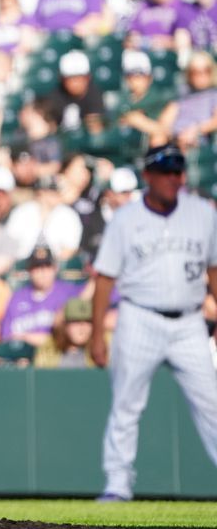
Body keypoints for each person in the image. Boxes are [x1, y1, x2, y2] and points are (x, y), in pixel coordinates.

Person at [90, 143, 217, 502]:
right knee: (126, 404)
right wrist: (97, 334)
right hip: (139, 316)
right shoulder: (127, 218)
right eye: (166, 171)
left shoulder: (203, 214)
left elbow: (214, 269)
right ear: (148, 175)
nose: (174, 177)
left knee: (212, 403)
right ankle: (117, 485)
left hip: (190, 321)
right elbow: (104, 278)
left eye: (178, 170)